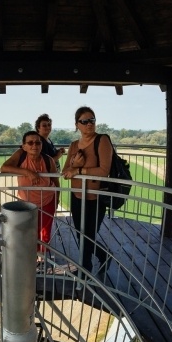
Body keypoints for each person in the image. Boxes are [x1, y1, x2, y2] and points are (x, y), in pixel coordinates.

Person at [61, 106, 112, 281]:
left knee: (88, 235)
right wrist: (74, 166)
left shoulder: (102, 140)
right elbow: (65, 171)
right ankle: (99, 259)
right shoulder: (74, 145)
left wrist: (79, 170)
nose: (89, 124)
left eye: (92, 120)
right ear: (77, 125)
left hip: (95, 198)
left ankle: (86, 268)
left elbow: (104, 170)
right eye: (84, 121)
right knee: (80, 234)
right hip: (77, 196)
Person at [1, 130, 59, 265]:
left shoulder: (48, 160)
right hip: (26, 204)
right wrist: (27, 172)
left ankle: (41, 257)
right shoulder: (20, 155)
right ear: (24, 146)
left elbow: (56, 182)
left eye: (38, 142)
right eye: (30, 143)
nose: (34, 146)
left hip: (47, 200)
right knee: (27, 231)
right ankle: (29, 255)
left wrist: (57, 200)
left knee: (44, 232)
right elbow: (4, 167)